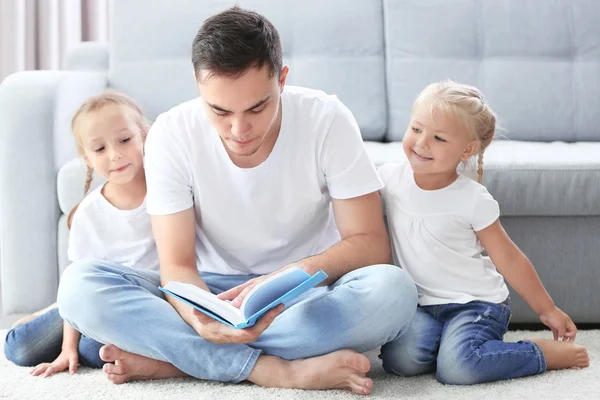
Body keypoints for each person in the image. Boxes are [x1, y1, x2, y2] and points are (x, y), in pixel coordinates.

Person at [56, 6, 417, 396]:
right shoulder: (170, 134)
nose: (239, 130)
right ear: (198, 86)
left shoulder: (326, 118)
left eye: (257, 107)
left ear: (282, 79)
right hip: (210, 292)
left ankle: (179, 361)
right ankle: (272, 370)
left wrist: (286, 275)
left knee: (393, 291)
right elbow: (176, 266)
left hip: (304, 294)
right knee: (78, 286)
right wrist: (199, 319)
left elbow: (369, 242)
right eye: (220, 111)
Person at [378, 80, 590, 385]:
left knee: (458, 369)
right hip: (422, 305)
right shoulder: (390, 178)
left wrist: (548, 310)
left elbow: (510, 259)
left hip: (476, 303)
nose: (422, 143)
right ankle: (454, 345)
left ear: (467, 150)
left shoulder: (472, 198)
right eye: (416, 129)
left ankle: (539, 353)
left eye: (438, 137)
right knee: (399, 360)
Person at [4, 90, 156, 378]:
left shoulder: (168, 191)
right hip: (97, 301)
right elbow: (79, 286)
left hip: (147, 301)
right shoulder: (90, 214)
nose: (115, 154)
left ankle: (59, 315)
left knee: (92, 349)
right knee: (20, 348)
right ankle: (55, 311)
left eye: (124, 140)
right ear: (86, 158)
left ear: (144, 136)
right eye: (99, 149)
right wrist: (66, 348)